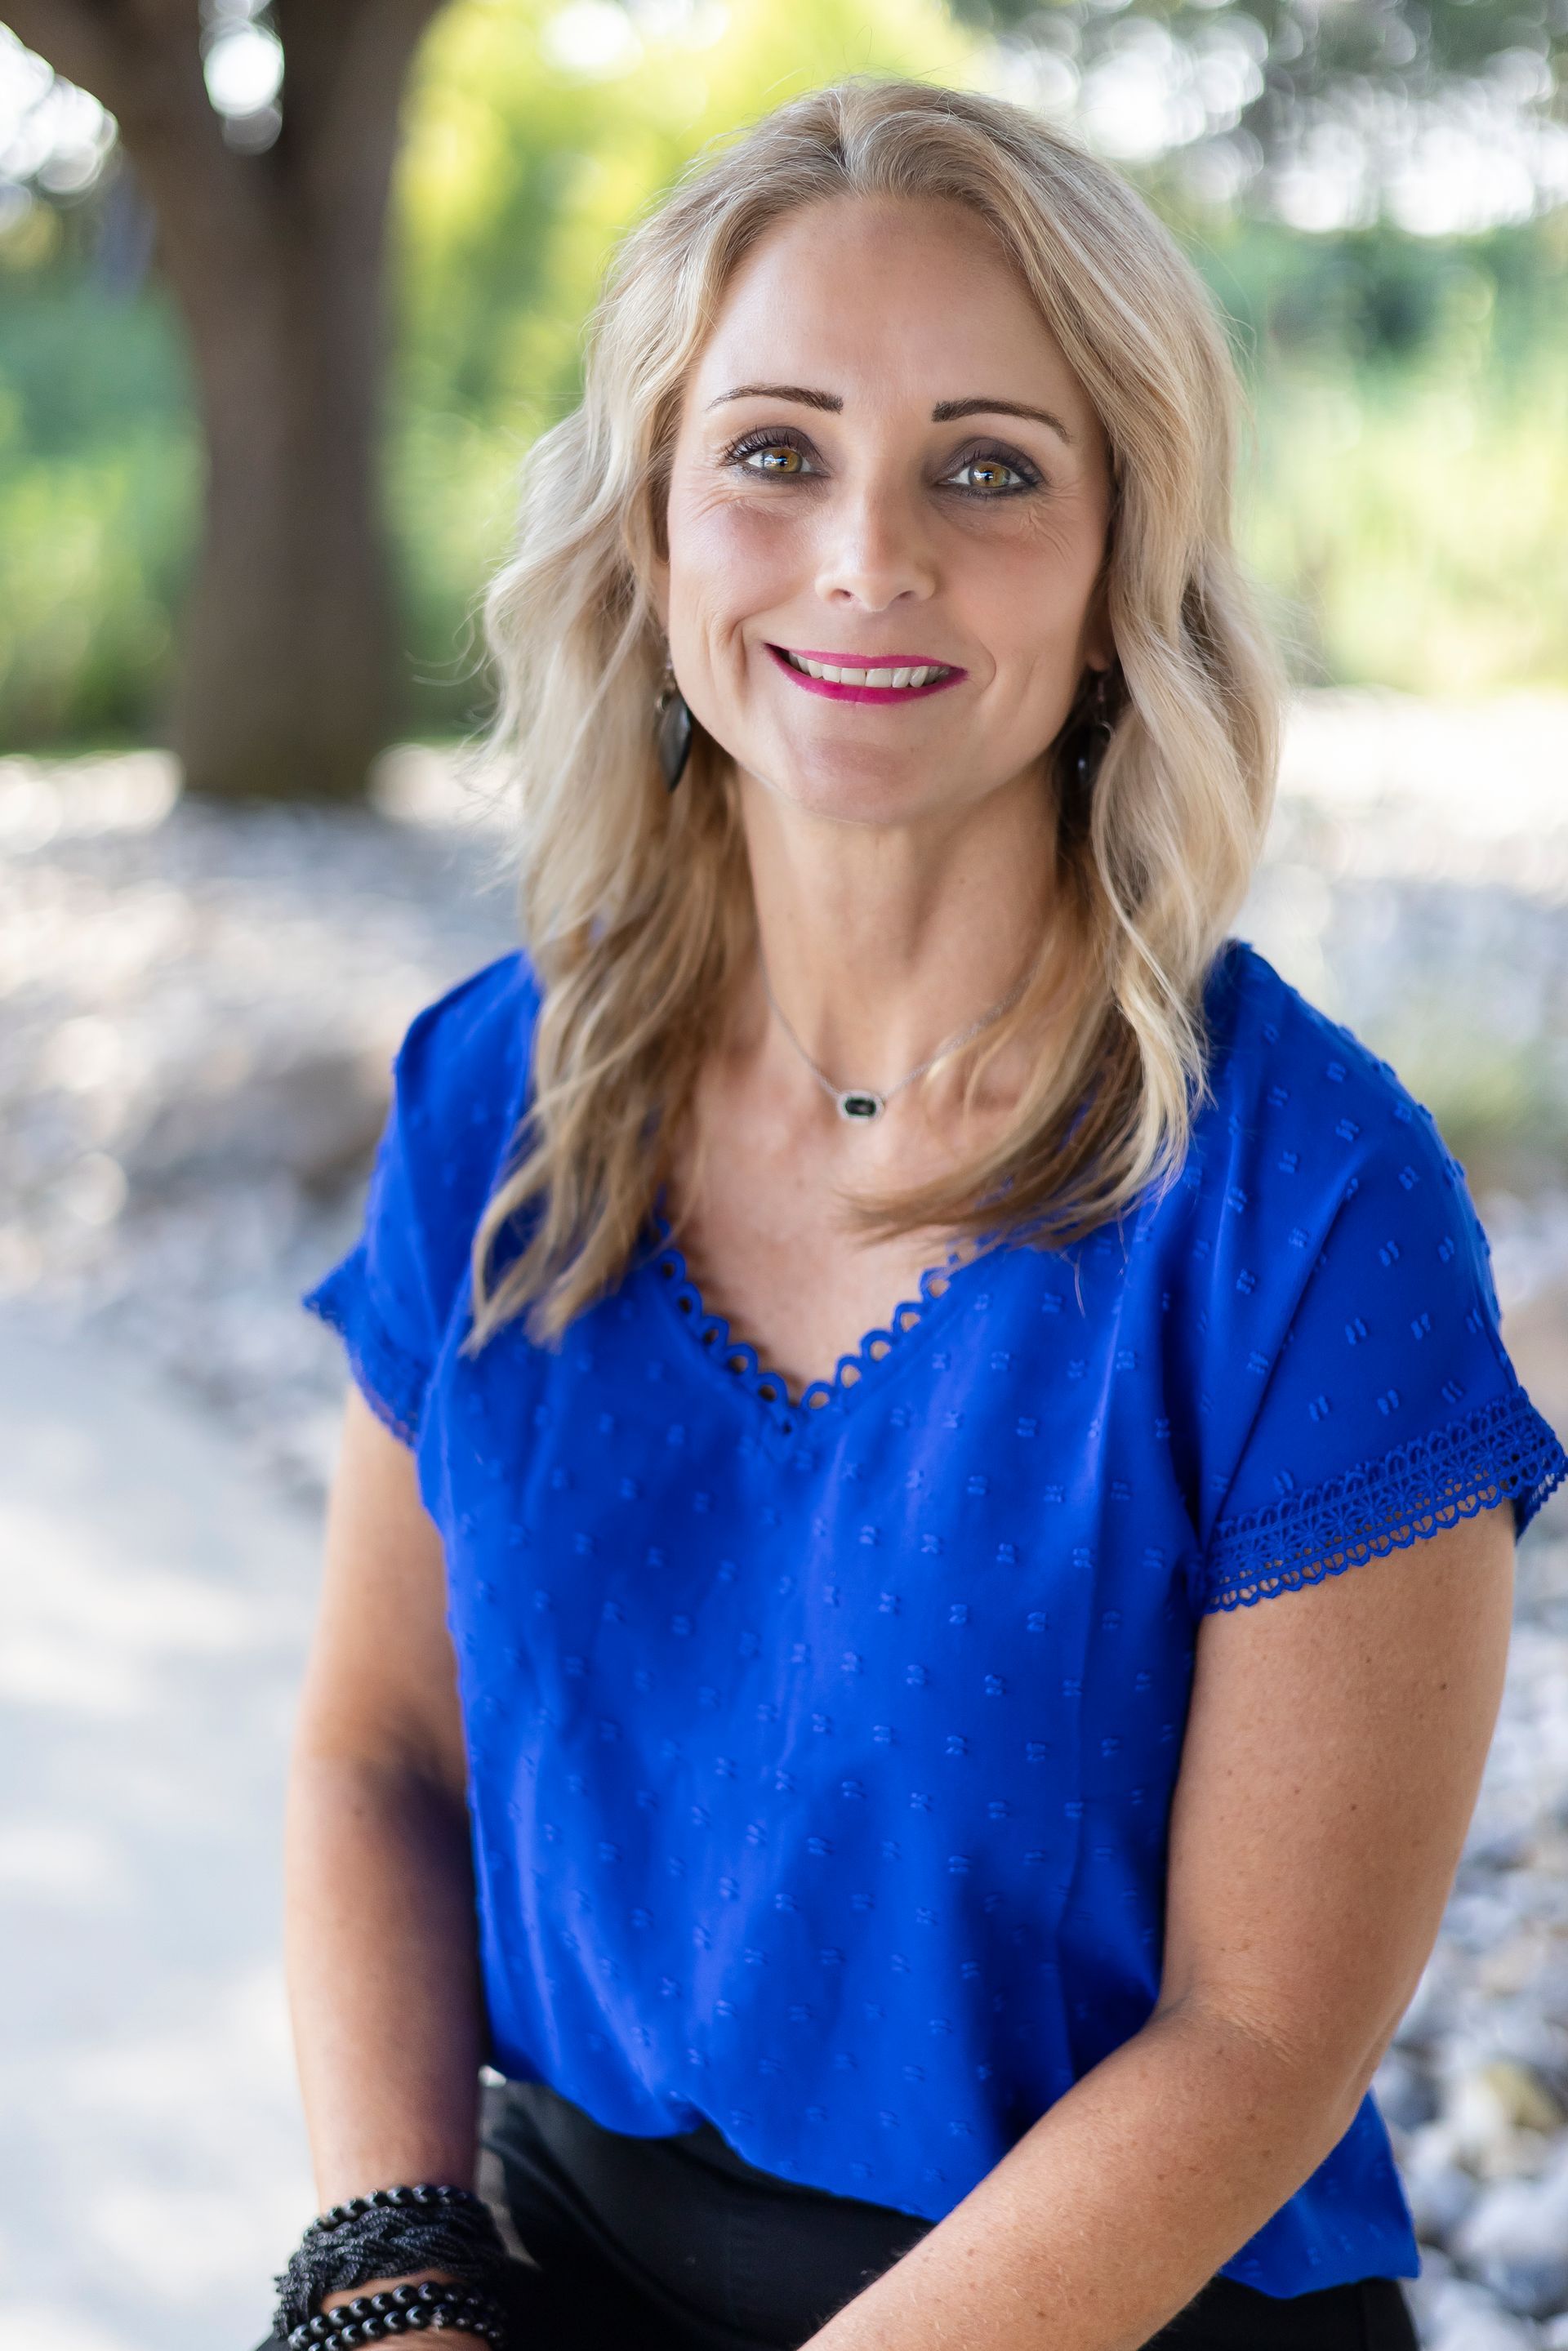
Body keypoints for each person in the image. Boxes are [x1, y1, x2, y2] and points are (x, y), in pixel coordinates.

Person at [265, 76, 1567, 2351]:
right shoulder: (496, 1085)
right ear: (655, 525)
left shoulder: (1310, 1208)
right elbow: (377, 1758)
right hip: (538, 2271)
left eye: (989, 466)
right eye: (776, 452)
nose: (871, 553)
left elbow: (1261, 2047)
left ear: (1118, 561)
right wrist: (388, 2285)